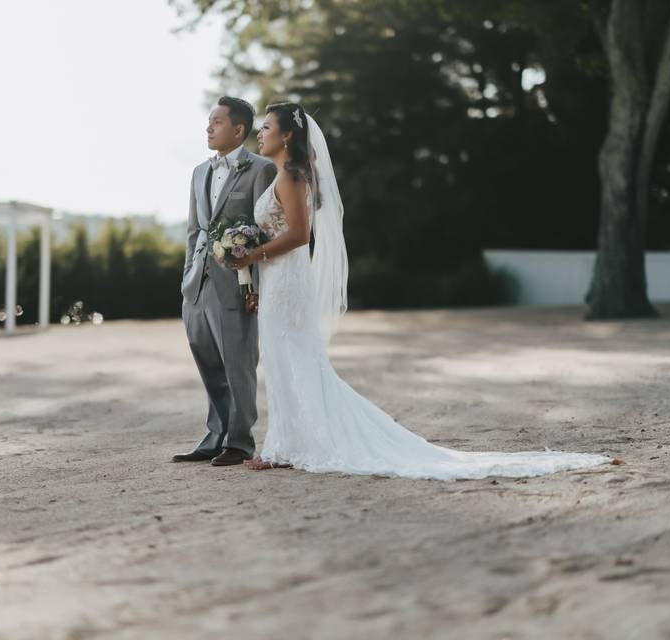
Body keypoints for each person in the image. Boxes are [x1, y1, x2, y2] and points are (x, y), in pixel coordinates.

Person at [227, 102, 614, 480]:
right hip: (277, 278)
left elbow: (299, 235)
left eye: (266, 127)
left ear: (288, 134)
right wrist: (250, 254)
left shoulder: (292, 176)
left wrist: (251, 253)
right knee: (281, 360)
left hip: (289, 283)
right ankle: (285, 444)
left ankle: (283, 446)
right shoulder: (282, 175)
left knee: (296, 359)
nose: (261, 133)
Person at [174, 96, 277, 467]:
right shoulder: (199, 172)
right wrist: (188, 276)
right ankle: (214, 436)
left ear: (238, 129)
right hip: (197, 284)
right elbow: (192, 230)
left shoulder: (260, 169)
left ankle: (239, 441)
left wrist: (256, 284)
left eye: (216, 122)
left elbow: (266, 230)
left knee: (238, 363)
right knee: (208, 363)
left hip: (238, 283)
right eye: (208, 121)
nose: (208, 127)